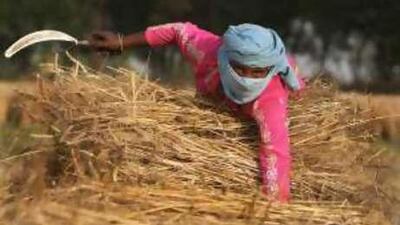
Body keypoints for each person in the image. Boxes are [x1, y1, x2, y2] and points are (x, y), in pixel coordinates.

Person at [89, 22, 304, 203]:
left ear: (270, 69)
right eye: (239, 68)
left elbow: (276, 153)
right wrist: (121, 42)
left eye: (257, 72)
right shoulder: (208, 52)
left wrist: (273, 207)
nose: (247, 79)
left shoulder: (271, 100)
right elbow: (177, 30)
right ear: (225, 58)